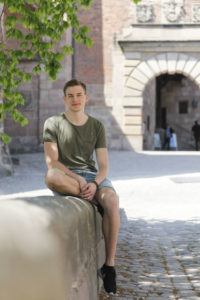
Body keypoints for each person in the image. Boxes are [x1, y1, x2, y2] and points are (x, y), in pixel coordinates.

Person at [43, 78, 120, 295]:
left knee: (112, 201)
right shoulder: (53, 123)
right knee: (51, 176)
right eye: (70, 95)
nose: (75, 99)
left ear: (85, 97)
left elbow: (103, 165)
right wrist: (76, 179)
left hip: (93, 177)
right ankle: (93, 199)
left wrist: (95, 183)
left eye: (79, 95)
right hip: (67, 177)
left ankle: (109, 267)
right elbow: (52, 161)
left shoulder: (96, 125)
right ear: (64, 99)